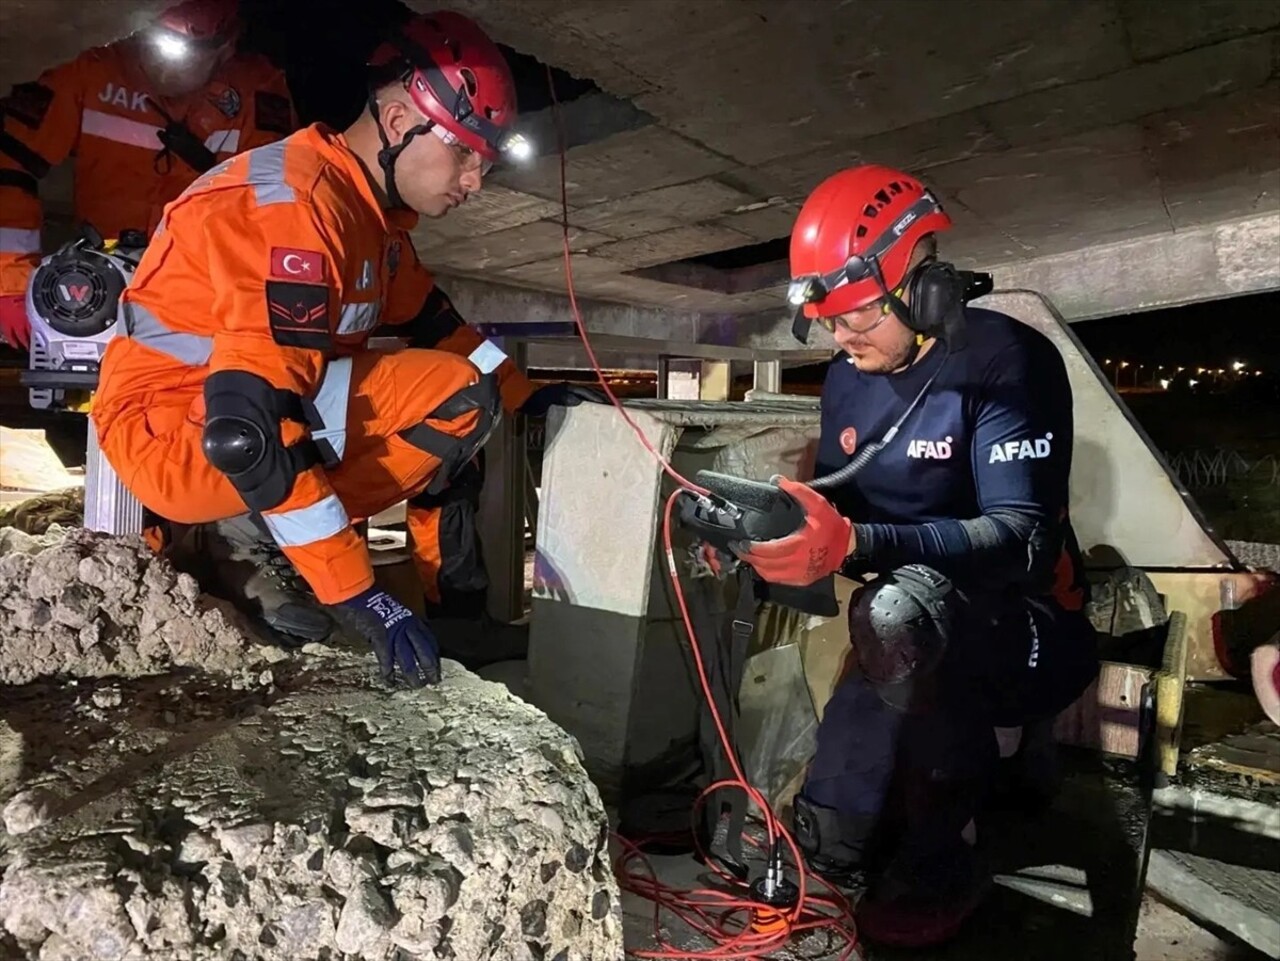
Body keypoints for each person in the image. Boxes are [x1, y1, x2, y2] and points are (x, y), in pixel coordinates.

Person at [90, 10, 564, 686]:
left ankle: (267, 532)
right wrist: (359, 594)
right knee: (448, 395)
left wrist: (532, 398)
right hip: (174, 428)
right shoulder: (302, 208)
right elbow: (249, 431)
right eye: (466, 153)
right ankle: (249, 539)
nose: (474, 182)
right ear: (400, 123)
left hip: (227, 412)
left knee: (465, 391)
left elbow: (436, 323)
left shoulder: (369, 218)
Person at [734, 165, 1099, 946]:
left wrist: (859, 543)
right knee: (890, 621)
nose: (842, 337)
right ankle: (826, 854)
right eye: (829, 321)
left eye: (859, 314)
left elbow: (1021, 542)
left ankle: (943, 860)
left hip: (1030, 622)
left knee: (898, 612)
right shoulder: (847, 378)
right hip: (905, 620)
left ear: (927, 291)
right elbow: (845, 508)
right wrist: (768, 533)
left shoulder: (1011, 364)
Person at [0, 0, 297, 349]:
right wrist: (11, 284)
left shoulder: (257, 93)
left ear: (225, 47)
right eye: (151, 43)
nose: (159, 64)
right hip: (96, 288)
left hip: (204, 296)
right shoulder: (93, 70)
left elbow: (274, 209)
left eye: (184, 53)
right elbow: (9, 163)